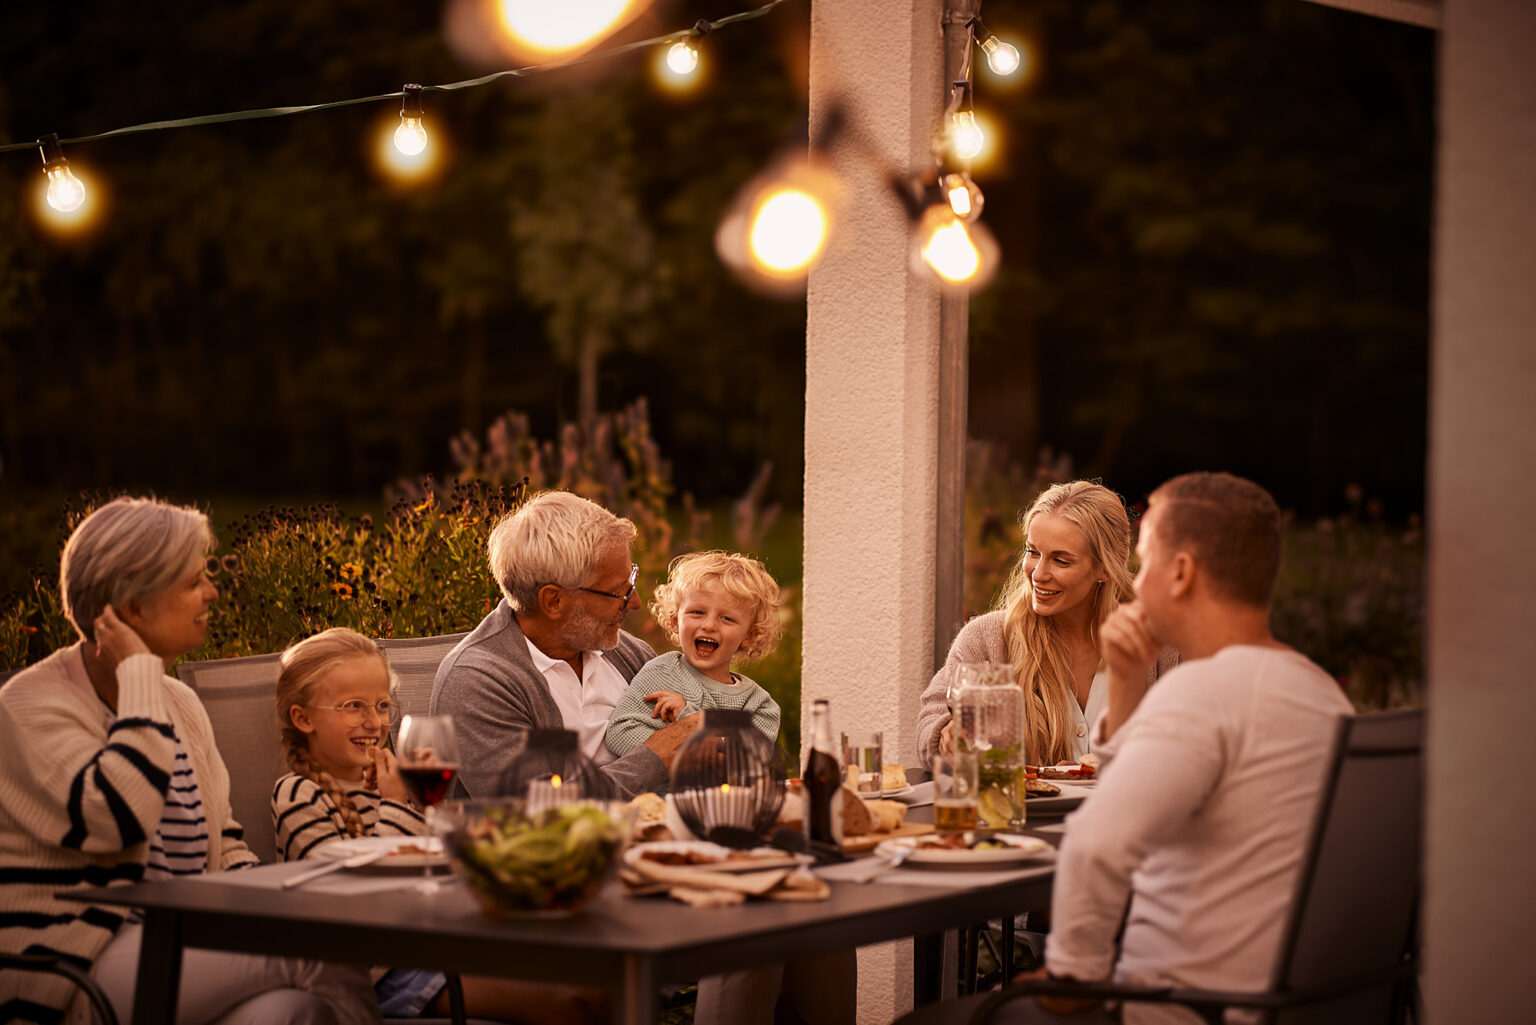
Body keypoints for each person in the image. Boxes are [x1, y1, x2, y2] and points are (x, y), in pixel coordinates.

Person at [0, 496, 378, 1025]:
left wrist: (284, 901)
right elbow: (118, 817)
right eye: (192, 581)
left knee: (294, 1010)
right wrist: (137, 677)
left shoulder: (179, 703)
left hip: (180, 940)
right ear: (132, 607)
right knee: (313, 946)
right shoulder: (29, 705)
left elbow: (222, 844)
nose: (212, 591)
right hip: (73, 969)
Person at [1020, 472, 1355, 1024]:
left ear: (1180, 574)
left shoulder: (1200, 694)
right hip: (1282, 1005)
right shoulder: (1322, 696)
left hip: (1176, 1008)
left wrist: (1072, 978)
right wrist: (1127, 685)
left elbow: (1095, 848)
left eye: (1145, 561)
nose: (1134, 580)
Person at [271, 627, 605, 1025]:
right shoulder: (299, 795)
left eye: (381, 706)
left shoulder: (392, 782)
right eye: (352, 706)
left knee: (601, 982)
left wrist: (426, 808)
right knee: (570, 1004)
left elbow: (436, 874)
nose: (374, 722)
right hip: (377, 971)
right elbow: (343, 906)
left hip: (439, 947)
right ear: (302, 718)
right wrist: (396, 806)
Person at [430, 491, 699, 798]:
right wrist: (654, 758)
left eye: (632, 581)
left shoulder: (629, 655)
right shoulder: (476, 682)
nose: (635, 602)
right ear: (553, 601)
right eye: (617, 593)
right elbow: (537, 811)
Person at [918, 480, 1177, 769]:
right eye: (1033, 552)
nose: (1038, 574)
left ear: (1104, 568)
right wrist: (947, 735)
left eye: (1061, 561)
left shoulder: (1165, 646)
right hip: (1023, 815)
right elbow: (933, 717)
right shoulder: (987, 639)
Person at [604, 550, 783, 758]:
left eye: (726, 618)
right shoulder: (660, 672)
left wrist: (690, 721)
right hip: (656, 792)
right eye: (697, 612)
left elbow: (743, 763)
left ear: (749, 636)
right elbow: (619, 733)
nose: (708, 625)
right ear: (674, 621)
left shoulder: (759, 706)